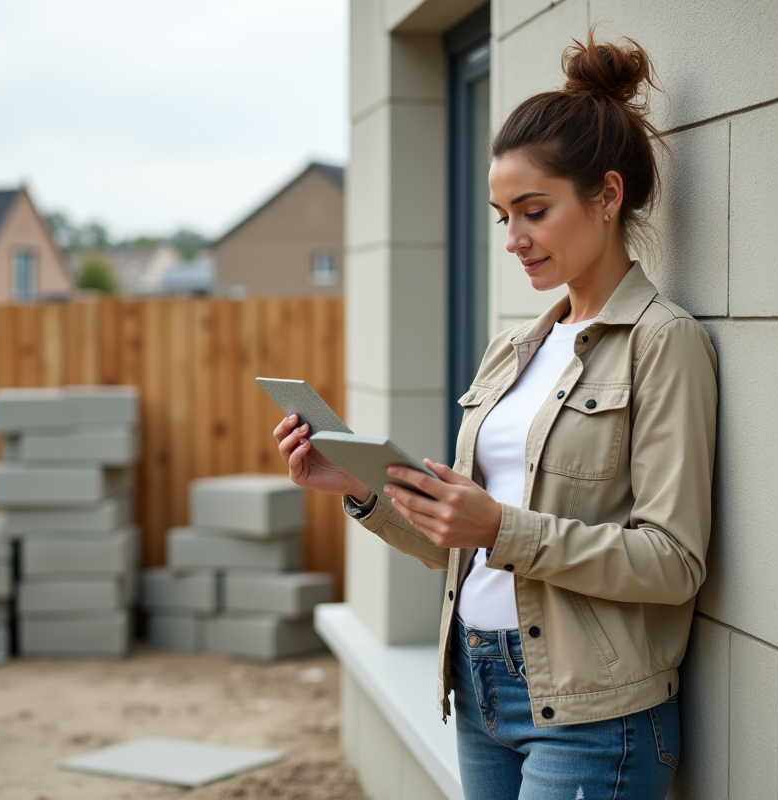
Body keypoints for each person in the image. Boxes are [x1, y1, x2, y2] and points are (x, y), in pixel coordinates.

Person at [275, 27, 717, 800]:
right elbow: (463, 544)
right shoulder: (514, 349)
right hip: (478, 687)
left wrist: (500, 528)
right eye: (501, 215)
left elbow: (674, 563)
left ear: (606, 196)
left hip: (590, 716)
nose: (512, 239)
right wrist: (362, 487)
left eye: (533, 211)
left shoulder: (663, 343)